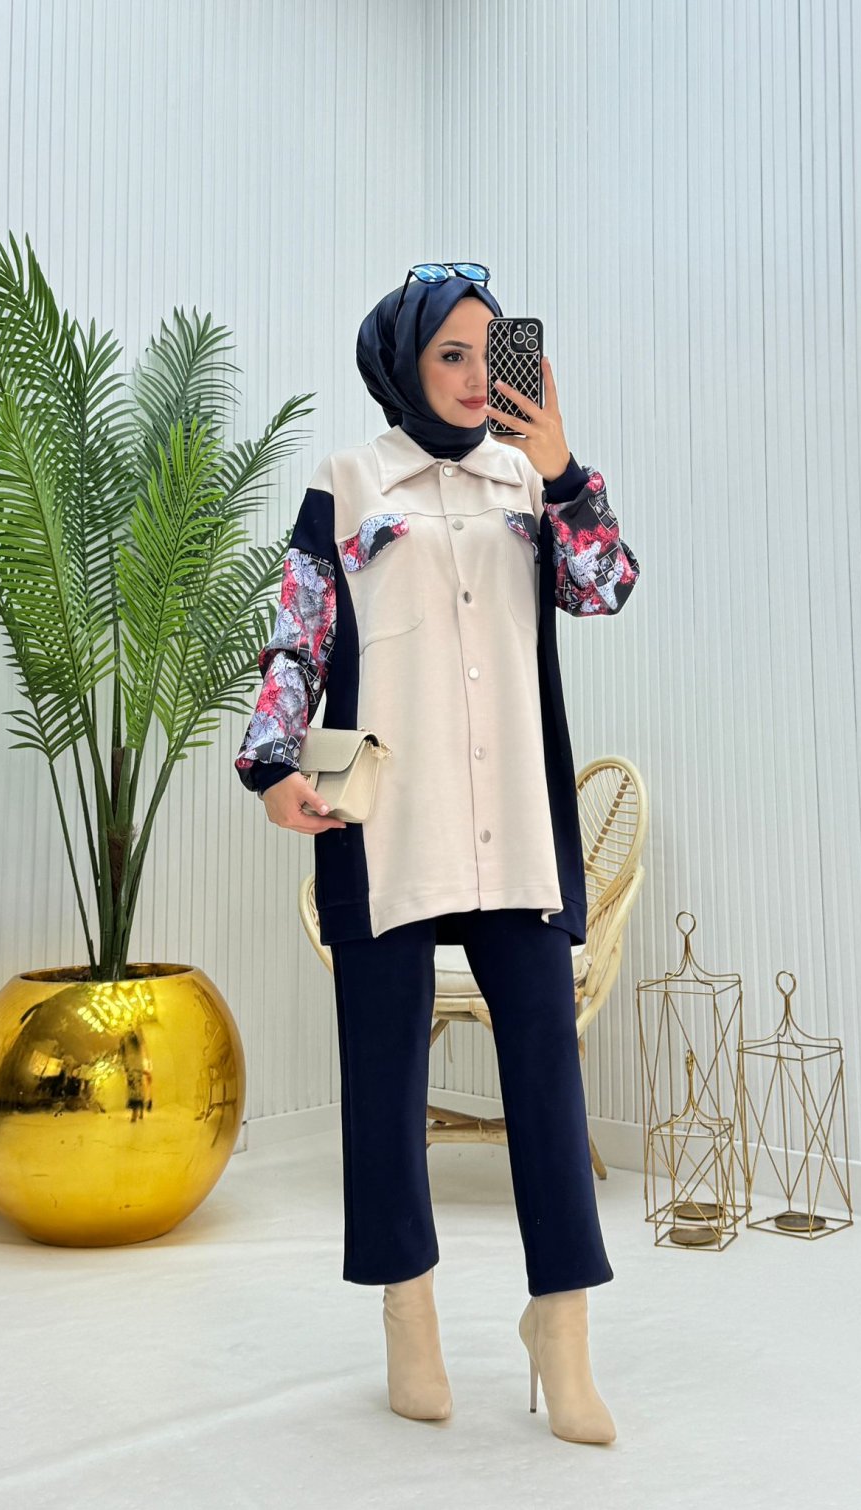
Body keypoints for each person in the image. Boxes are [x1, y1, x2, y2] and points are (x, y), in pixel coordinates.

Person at [234, 264, 640, 1445]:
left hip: (514, 823)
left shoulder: (528, 479)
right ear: (405, 363)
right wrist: (273, 764)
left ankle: (560, 1329)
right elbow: (298, 633)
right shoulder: (350, 480)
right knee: (383, 1079)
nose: (471, 376)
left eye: (486, 351)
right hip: (383, 824)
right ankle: (406, 1318)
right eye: (449, 354)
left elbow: (604, 589)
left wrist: (562, 465)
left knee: (547, 1079)